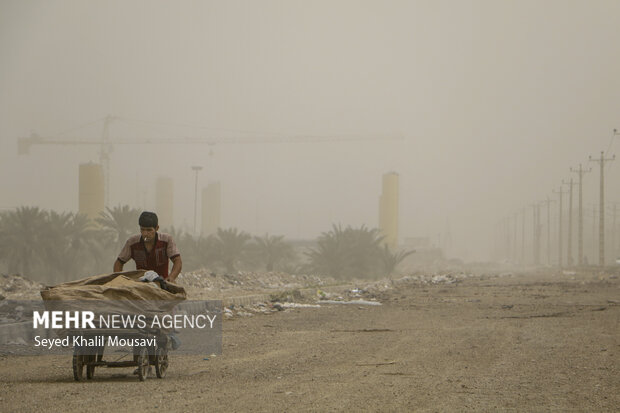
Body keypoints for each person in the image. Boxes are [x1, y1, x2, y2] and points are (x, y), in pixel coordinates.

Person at [113, 211, 182, 283]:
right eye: (142, 229)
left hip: (162, 283)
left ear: (157, 228)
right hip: (141, 285)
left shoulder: (166, 240)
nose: (145, 233)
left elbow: (177, 261)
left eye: (149, 230)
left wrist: (171, 277)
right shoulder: (132, 242)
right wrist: (120, 280)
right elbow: (119, 263)